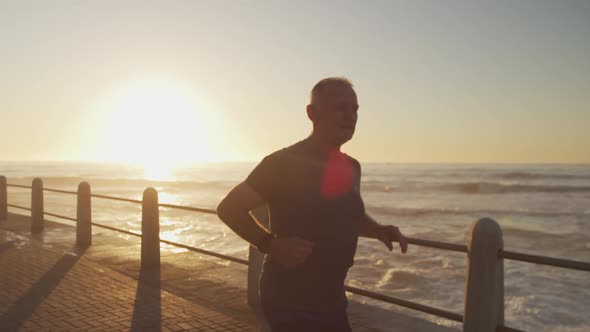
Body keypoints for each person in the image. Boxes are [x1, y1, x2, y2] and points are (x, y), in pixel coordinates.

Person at [217, 77, 408, 331]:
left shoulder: (351, 167)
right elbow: (229, 208)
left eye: (355, 109)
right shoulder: (282, 163)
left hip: (332, 301)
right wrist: (270, 244)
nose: (350, 116)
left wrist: (379, 230)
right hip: (289, 303)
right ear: (312, 113)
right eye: (340, 107)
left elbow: (351, 215)